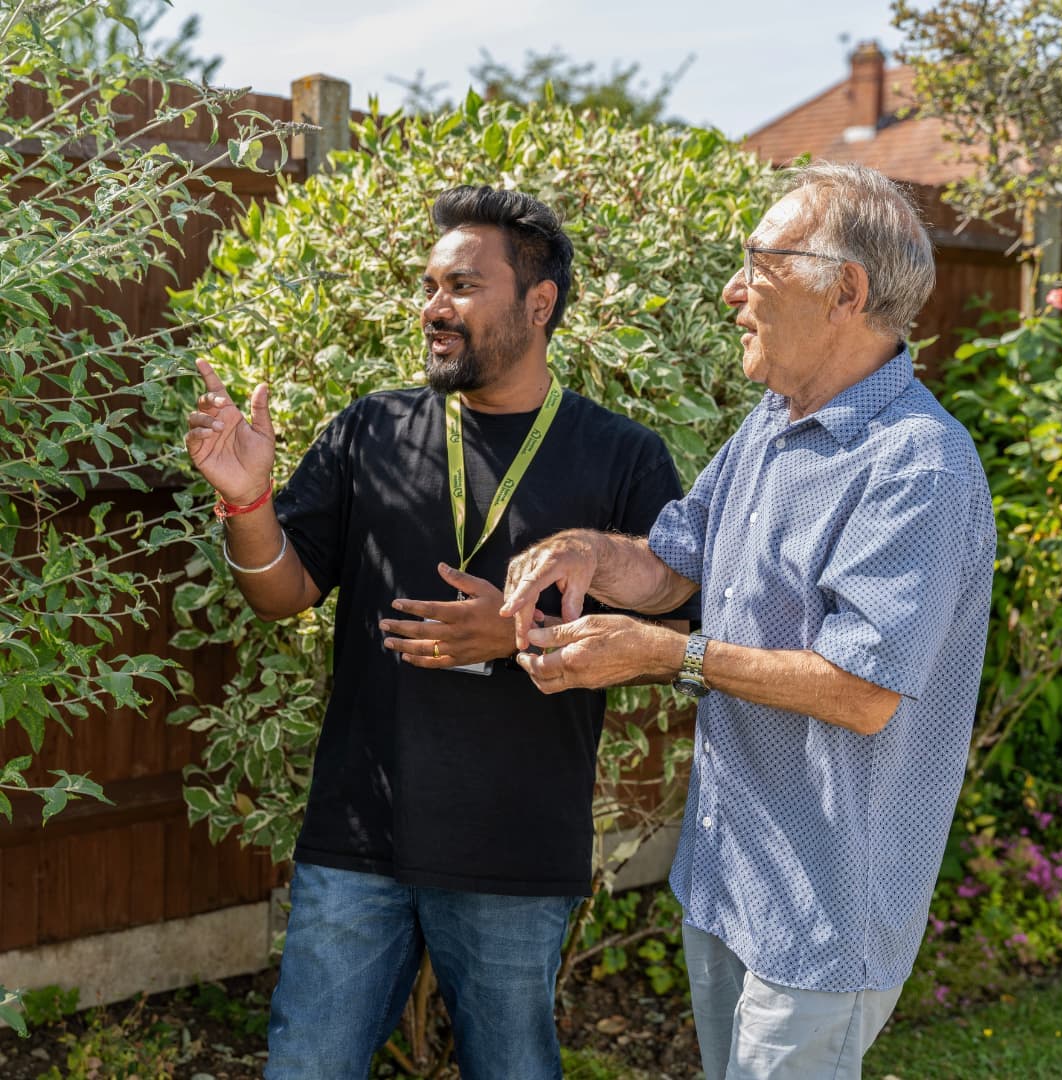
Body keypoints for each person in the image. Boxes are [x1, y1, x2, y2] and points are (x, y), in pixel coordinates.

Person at [184, 184, 693, 1080]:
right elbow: (283, 591)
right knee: (305, 1065)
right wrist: (246, 499)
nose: (432, 308)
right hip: (357, 837)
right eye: (429, 285)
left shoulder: (622, 455)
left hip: (514, 848)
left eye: (462, 286)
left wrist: (516, 636)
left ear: (539, 304)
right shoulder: (370, 429)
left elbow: (671, 629)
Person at [501, 162, 997, 1079]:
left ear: (844, 289)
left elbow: (861, 692)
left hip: (825, 909)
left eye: (759, 263)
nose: (732, 291)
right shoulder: (772, 421)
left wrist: (663, 656)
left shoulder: (916, 469)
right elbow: (674, 561)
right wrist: (589, 555)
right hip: (730, 879)